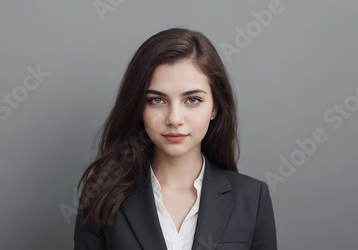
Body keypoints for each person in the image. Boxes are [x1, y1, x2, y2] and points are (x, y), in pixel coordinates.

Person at [74, 27, 277, 250]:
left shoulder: (251, 198)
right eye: (157, 100)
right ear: (138, 108)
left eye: (192, 100)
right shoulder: (102, 195)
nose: (174, 119)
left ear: (215, 107)